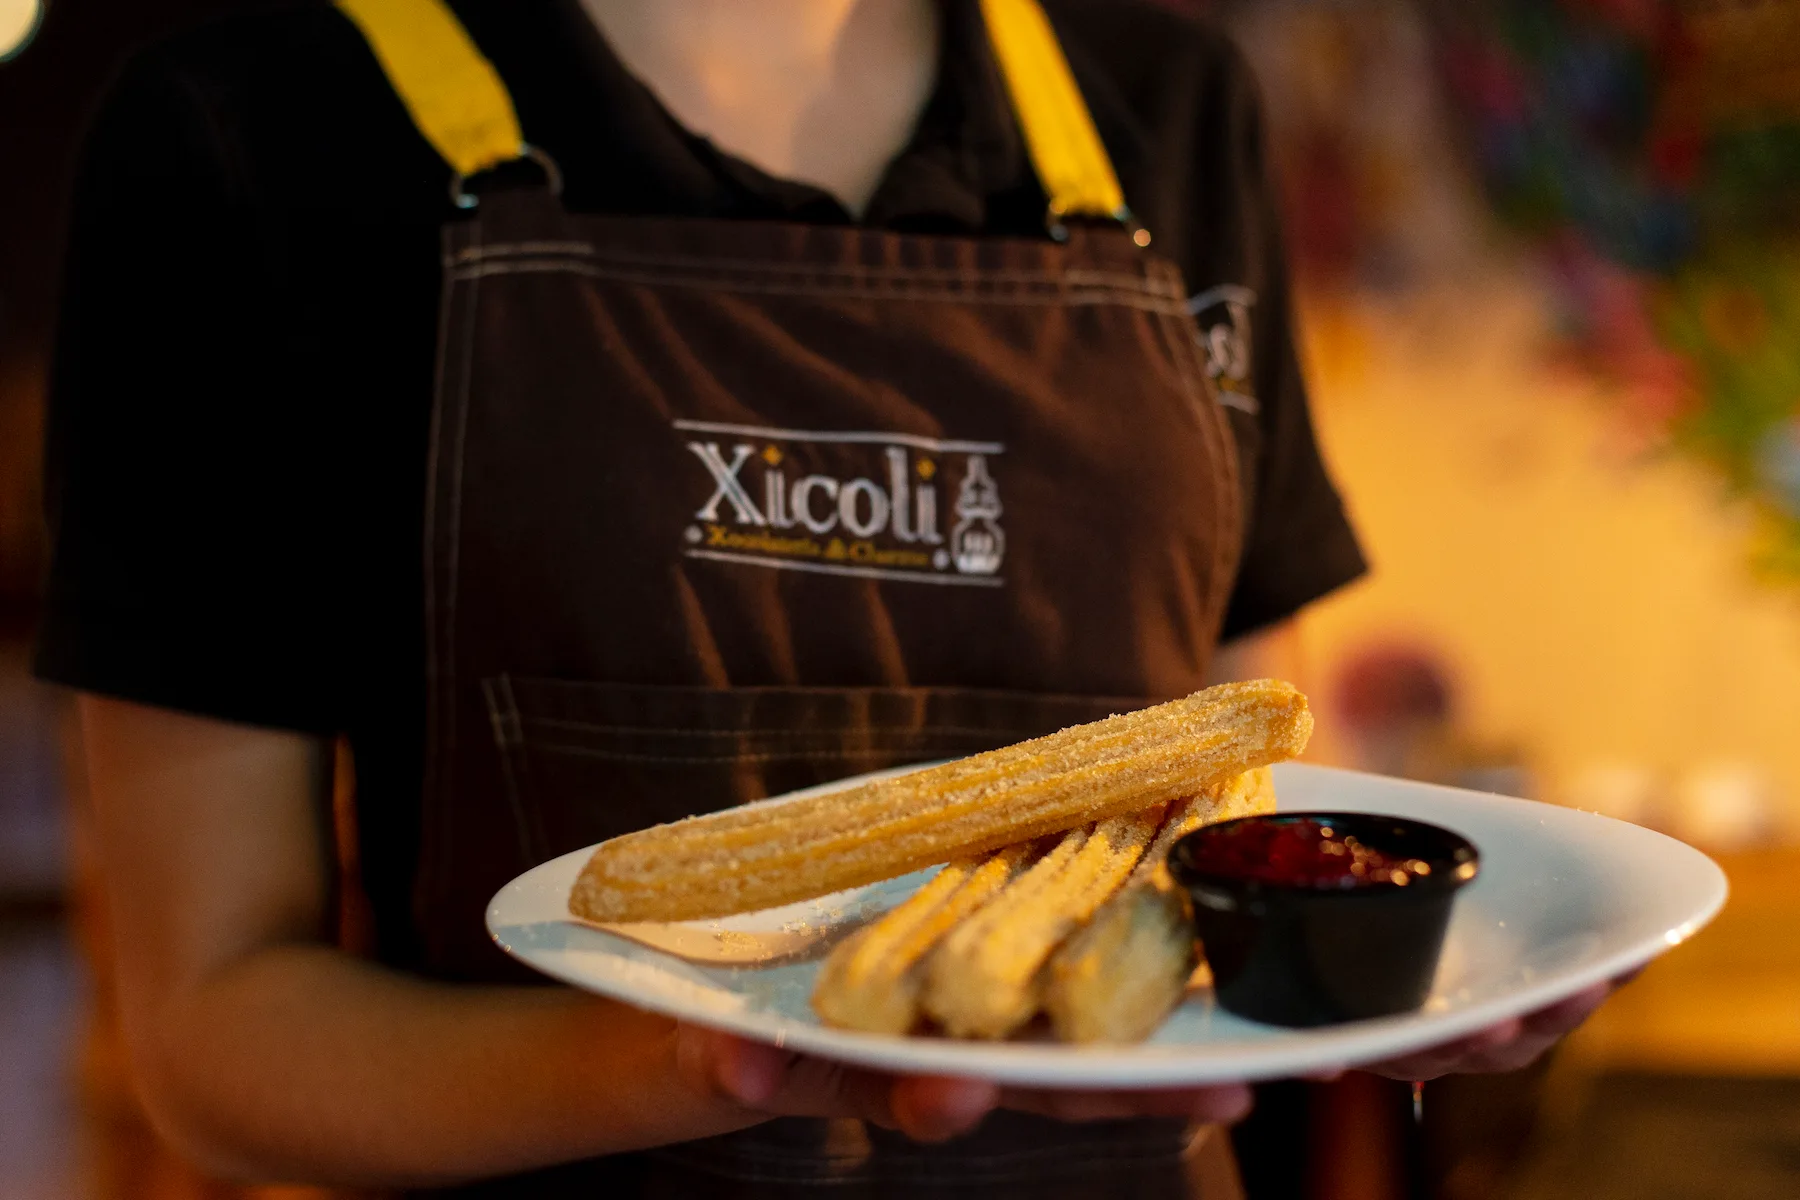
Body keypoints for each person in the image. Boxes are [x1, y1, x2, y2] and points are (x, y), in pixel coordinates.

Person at [36, 0, 1613, 1194]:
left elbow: (1242, 800)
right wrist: (727, 1066)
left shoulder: (1164, 107)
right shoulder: (248, 125)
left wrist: (1385, 993)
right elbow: (211, 1020)